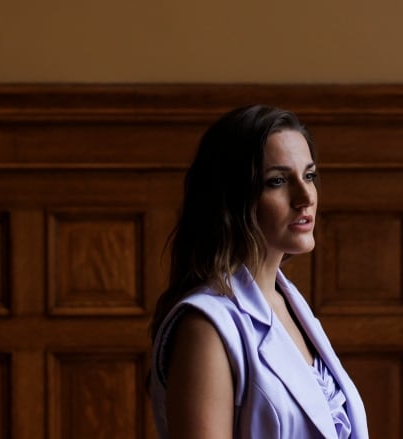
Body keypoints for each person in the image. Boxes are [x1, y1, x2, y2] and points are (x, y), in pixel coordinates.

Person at [149, 105, 369, 438]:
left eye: (309, 175)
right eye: (277, 181)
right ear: (232, 198)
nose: (305, 196)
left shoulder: (289, 301)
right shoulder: (206, 327)